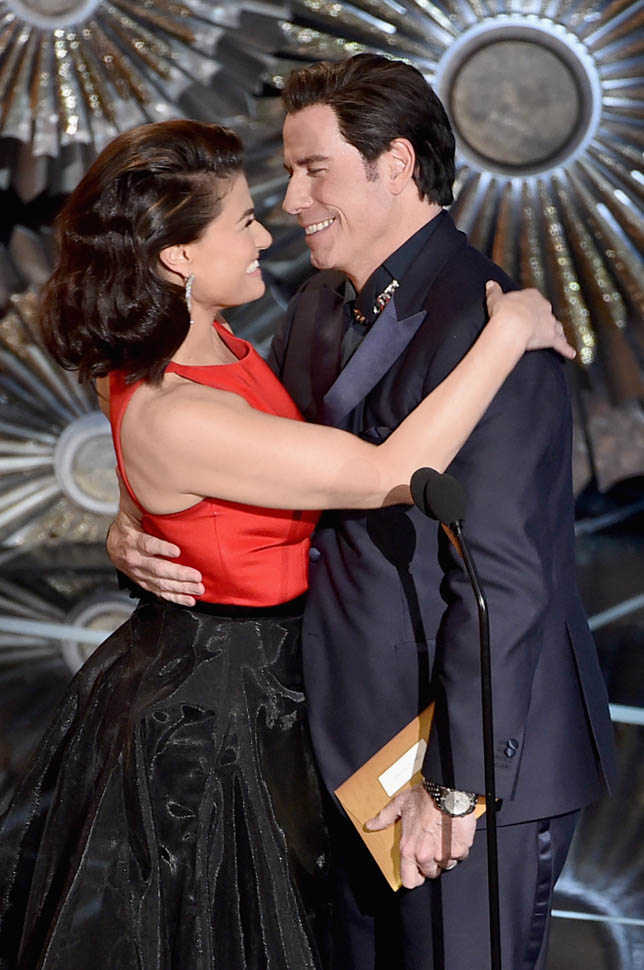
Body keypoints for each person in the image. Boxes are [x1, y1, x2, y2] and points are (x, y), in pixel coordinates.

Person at [0, 119, 570, 970]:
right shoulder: (180, 408)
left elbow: (202, 464)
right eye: (242, 222)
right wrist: (509, 330)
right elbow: (391, 472)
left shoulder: (210, 344)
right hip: (221, 707)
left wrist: (138, 514)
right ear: (177, 258)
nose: (268, 234)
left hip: (271, 676)